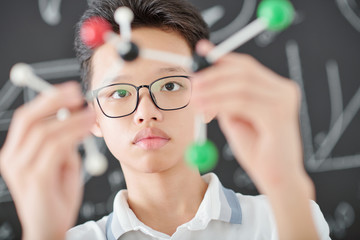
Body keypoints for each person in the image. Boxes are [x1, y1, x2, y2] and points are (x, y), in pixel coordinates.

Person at [0, 0, 331, 239]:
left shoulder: (287, 217)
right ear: (93, 118)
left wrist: (287, 186)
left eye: (170, 85)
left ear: (207, 97)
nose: (146, 111)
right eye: (119, 92)